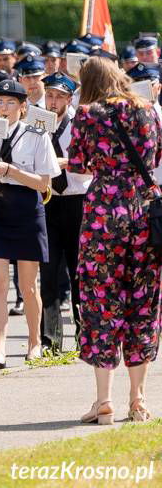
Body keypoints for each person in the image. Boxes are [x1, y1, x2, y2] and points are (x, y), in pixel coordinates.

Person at [69, 56, 161, 424]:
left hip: (104, 213)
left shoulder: (88, 114)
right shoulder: (149, 111)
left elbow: (77, 165)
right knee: (143, 301)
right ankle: (137, 399)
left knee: (100, 302)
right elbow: (154, 158)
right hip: (142, 211)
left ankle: (103, 401)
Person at [0, 80, 61, 370]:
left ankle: (34, 343)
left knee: (28, 286)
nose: (3, 107)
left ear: (23, 107)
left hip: (27, 208)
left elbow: (43, 182)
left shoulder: (36, 134)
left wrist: (9, 169)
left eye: (10, 103)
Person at [38, 72, 91, 352]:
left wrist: (65, 162)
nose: (53, 100)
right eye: (50, 95)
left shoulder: (81, 123)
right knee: (47, 272)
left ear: (69, 99)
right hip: (48, 200)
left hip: (77, 200)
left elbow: (95, 162)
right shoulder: (37, 123)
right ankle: (51, 338)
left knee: (78, 270)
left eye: (59, 96)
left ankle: (84, 332)